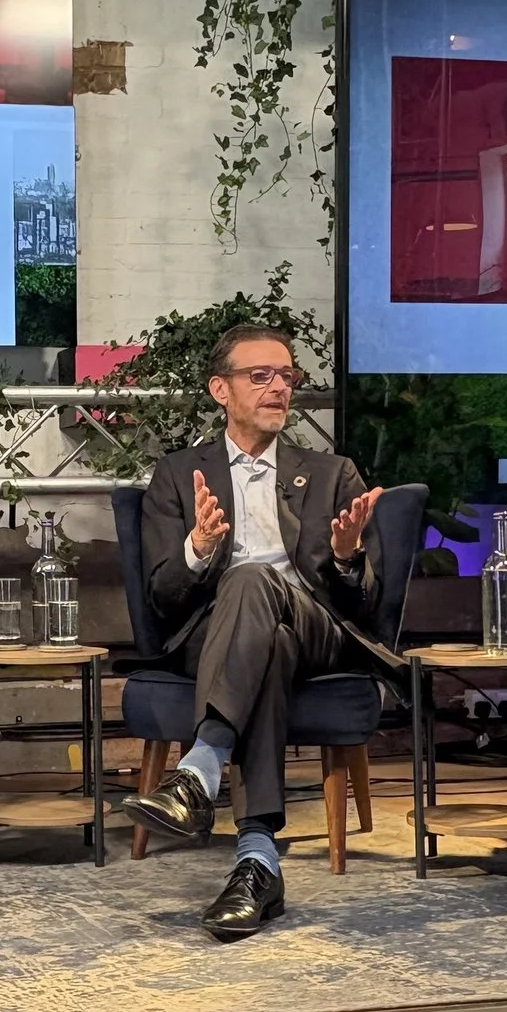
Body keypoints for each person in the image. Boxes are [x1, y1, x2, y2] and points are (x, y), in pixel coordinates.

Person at [119, 324, 386, 941]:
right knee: (263, 631)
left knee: (253, 583)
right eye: (259, 376)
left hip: (317, 627)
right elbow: (161, 596)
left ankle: (200, 768)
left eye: (286, 375)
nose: (278, 387)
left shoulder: (332, 473)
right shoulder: (178, 475)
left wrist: (346, 556)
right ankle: (258, 862)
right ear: (221, 390)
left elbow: (366, 604)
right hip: (220, 637)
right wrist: (196, 546)